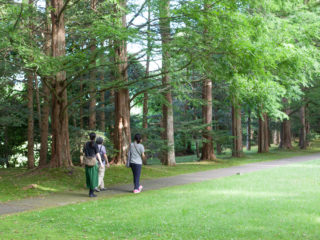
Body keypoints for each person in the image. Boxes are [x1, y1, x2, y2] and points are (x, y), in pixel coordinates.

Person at [83, 132, 104, 197]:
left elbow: (84, 153)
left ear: (89, 137)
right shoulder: (95, 144)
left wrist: (82, 162)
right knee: (94, 177)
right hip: (93, 163)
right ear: (95, 137)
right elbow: (97, 154)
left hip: (87, 163)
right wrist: (101, 163)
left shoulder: (86, 144)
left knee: (89, 177)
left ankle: (90, 192)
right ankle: (91, 193)